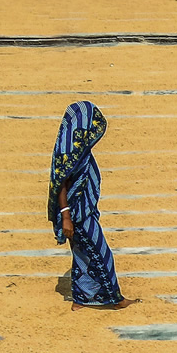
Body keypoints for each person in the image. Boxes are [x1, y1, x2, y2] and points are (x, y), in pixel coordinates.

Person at [48, 101, 139, 311]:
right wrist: (67, 217)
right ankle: (116, 300)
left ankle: (81, 300)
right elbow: (61, 182)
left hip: (83, 210)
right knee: (101, 253)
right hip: (77, 214)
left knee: (82, 253)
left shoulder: (77, 144)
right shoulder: (68, 149)